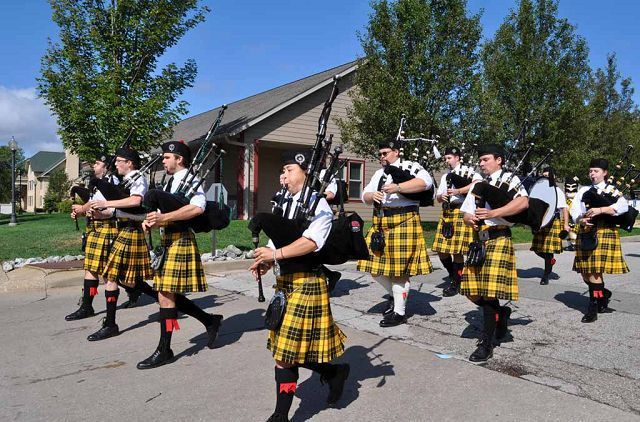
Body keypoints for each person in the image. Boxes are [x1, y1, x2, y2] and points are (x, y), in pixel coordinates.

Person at [251, 150, 349, 422]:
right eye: (282, 171)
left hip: (307, 282)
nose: (283, 176)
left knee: (284, 354)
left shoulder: (319, 205)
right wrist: (266, 260)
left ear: (306, 174)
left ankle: (280, 416)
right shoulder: (284, 204)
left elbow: (311, 242)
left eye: (289, 170)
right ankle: (333, 372)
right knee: (286, 350)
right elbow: (277, 240)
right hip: (285, 283)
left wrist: (275, 256)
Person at [137, 140, 223, 369]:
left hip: (180, 240)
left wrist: (163, 218)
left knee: (165, 294)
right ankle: (210, 320)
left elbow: (197, 208)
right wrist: (152, 221)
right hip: (168, 240)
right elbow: (165, 210)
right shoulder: (171, 182)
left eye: (166, 157)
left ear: (179, 159)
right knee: (166, 294)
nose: (163, 161)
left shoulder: (190, 180)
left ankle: (164, 349)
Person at [460, 144, 529, 362]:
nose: (481, 163)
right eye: (480, 160)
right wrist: (469, 218)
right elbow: (465, 212)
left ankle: (486, 342)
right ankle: (501, 315)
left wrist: (494, 212)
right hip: (478, 241)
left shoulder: (510, 179)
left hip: (499, 236)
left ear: (498, 160)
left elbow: (523, 202)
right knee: (471, 291)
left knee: (489, 293)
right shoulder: (478, 184)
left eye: (486, 159)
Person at [357, 139, 433, 327]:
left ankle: (399, 313)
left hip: (404, 221)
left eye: (385, 153)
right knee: (372, 266)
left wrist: (398, 187)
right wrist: (371, 196)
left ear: (396, 152)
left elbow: (425, 183)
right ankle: (394, 296)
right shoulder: (378, 173)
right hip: (380, 223)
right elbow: (364, 194)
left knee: (400, 272)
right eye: (380, 154)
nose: (382, 157)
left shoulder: (411, 167)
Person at [86, 147, 153, 341]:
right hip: (123, 229)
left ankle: (110, 324)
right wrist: (100, 212)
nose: (115, 164)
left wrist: (108, 204)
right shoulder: (126, 180)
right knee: (118, 277)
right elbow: (120, 209)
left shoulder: (138, 177)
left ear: (129, 163)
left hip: (132, 230)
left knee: (114, 277)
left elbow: (136, 201)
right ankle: (111, 322)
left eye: (119, 161)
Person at [570, 158, 629, 323]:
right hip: (586, 230)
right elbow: (575, 210)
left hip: (604, 230)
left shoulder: (612, 190)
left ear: (605, 173)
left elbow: (623, 207)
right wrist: (580, 220)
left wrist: (601, 209)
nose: (592, 174)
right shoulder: (584, 190)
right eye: (590, 171)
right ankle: (603, 294)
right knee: (584, 273)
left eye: (595, 171)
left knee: (595, 271)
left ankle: (593, 307)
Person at [65, 154, 119, 321]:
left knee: (110, 276)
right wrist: (82, 212)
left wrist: (82, 208)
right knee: (91, 270)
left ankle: (110, 318)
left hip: (108, 229)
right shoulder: (98, 185)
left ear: (106, 167)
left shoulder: (112, 183)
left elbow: (105, 207)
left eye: (97, 163)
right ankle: (87, 306)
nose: (94, 166)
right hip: (95, 229)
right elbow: (93, 204)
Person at [431, 146, 481, 296]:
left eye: (449, 158)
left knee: (457, 252)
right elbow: (438, 196)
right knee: (441, 251)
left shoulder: (469, 171)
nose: (447, 161)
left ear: (457, 157)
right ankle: (454, 275)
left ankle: (456, 282)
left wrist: (459, 191)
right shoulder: (445, 176)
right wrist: (442, 197)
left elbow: (478, 185)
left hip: (461, 211)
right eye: (445, 158)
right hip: (447, 212)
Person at [530, 167, 571, 285]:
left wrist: (566, 225)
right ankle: (550, 260)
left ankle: (546, 275)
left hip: (553, 221)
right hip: (541, 222)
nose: (546, 178)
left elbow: (564, 209)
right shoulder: (539, 191)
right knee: (537, 249)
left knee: (548, 250)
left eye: (548, 176)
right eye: (544, 176)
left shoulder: (557, 191)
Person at [563, 177, 580, 251]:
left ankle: (574, 245)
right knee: (568, 231)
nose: (570, 189)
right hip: (568, 217)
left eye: (573, 187)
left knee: (573, 230)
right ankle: (570, 244)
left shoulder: (576, 201)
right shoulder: (566, 200)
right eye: (568, 188)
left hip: (573, 217)